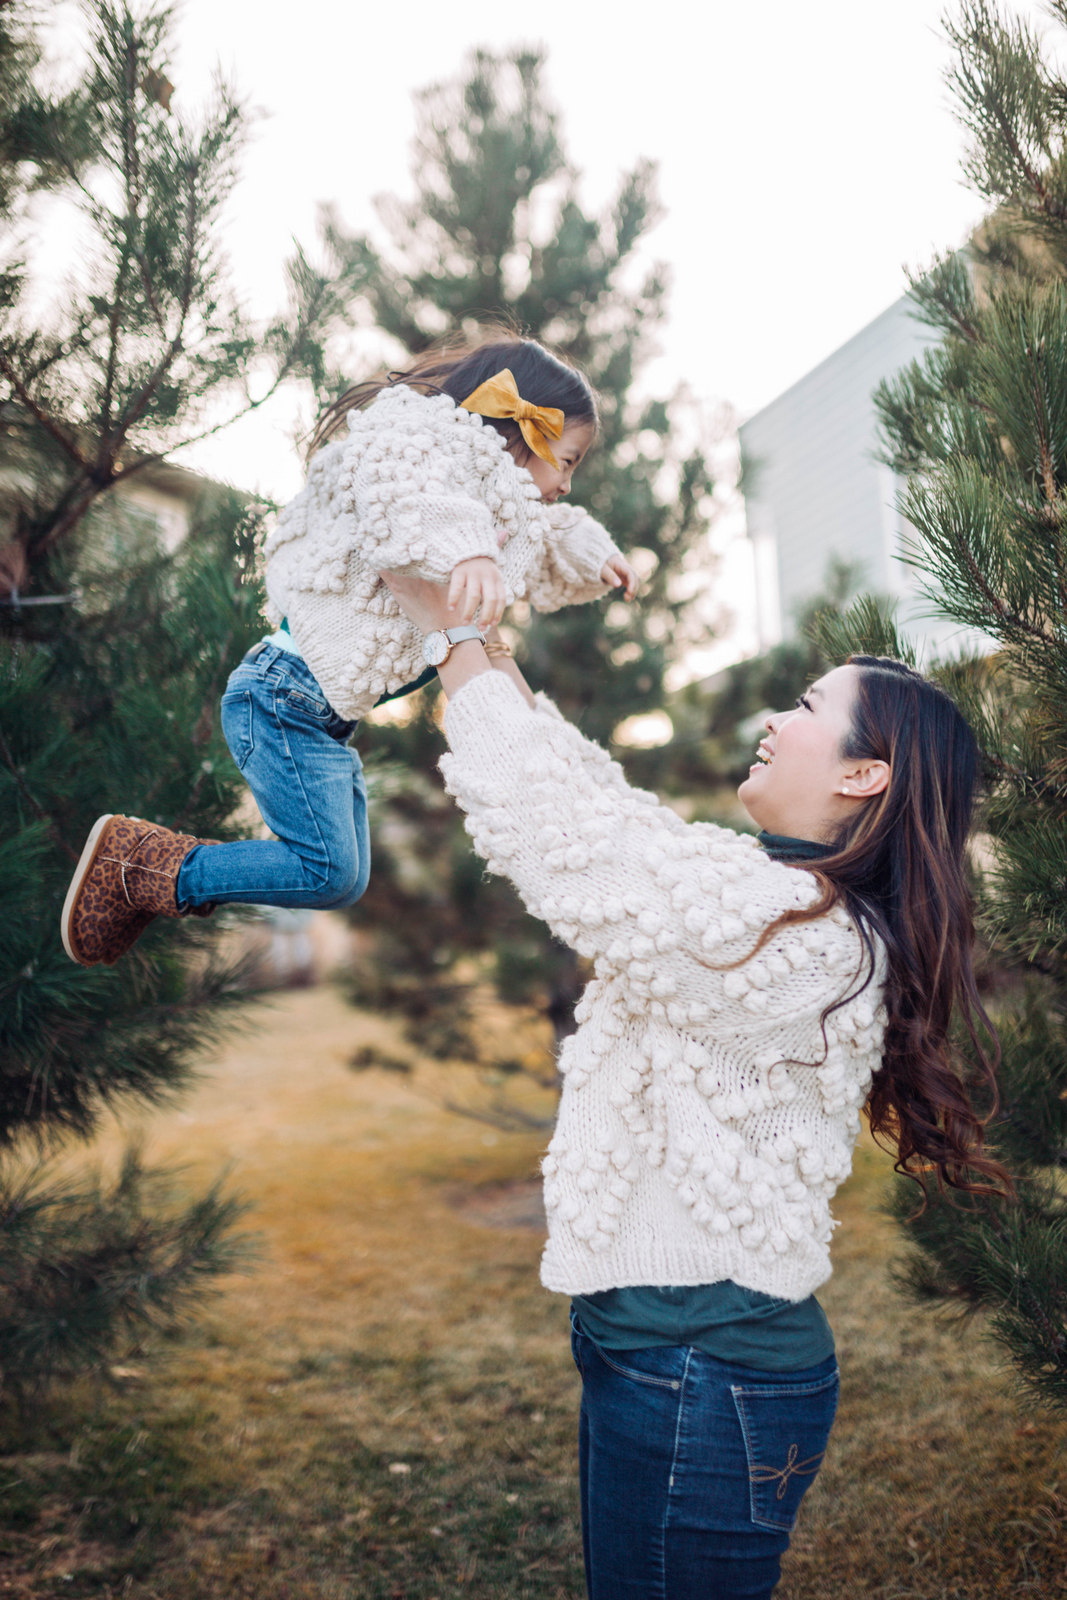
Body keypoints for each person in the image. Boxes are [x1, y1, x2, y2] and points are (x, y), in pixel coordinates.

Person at [377, 568, 1014, 1600]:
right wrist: (486, 645)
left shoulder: (805, 940)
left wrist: (450, 632)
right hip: (666, 1357)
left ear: (863, 777)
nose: (773, 716)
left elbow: (563, 841)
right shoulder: (769, 898)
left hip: (701, 1375)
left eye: (807, 706)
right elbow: (603, 811)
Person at [59, 333, 637, 968]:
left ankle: (146, 867)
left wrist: (601, 558)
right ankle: (144, 866)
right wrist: (468, 549)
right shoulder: (417, 439)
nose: (566, 484)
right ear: (525, 427)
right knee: (327, 872)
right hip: (280, 696)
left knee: (345, 878)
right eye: (571, 461)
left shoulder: (498, 504)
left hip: (322, 717)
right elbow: (410, 496)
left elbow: (556, 532)